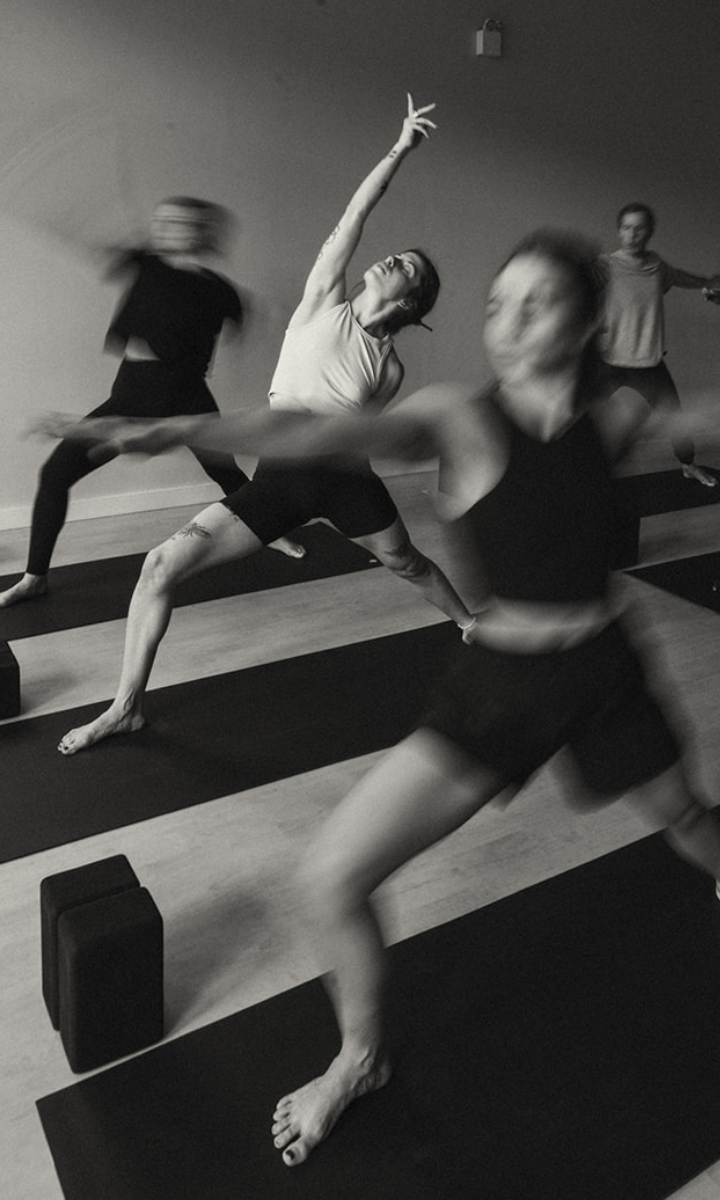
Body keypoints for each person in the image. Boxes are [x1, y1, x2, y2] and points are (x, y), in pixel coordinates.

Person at [41, 229, 720, 1165]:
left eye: (538, 304)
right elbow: (317, 434)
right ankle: (361, 1059)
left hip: (607, 671)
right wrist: (178, 429)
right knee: (332, 878)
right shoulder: (462, 416)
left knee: (690, 816)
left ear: (588, 320)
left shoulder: (618, 416)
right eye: (497, 306)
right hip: (504, 687)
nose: (510, 325)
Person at [52, 94, 477, 755]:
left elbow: (358, 436)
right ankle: (125, 707)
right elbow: (356, 215)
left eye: (409, 268)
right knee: (159, 565)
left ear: (410, 299)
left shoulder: (388, 370)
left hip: (340, 475)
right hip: (280, 474)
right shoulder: (322, 300)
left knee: (407, 562)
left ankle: (469, 623)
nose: (395, 260)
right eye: (399, 254)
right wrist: (399, 149)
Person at [0, 196, 304, 611]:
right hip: (130, 397)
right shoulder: (146, 264)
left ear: (200, 231)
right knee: (56, 473)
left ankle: (271, 530)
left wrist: (274, 313)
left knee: (227, 475)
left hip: (186, 398)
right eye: (161, 221)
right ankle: (35, 578)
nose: (164, 228)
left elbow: (247, 321)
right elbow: (88, 241)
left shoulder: (218, 290)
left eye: (177, 222)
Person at [597, 201, 720, 486]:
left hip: (648, 363)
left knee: (676, 419)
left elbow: (680, 277)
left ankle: (688, 466)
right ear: (619, 231)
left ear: (649, 232)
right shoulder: (606, 267)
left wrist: (710, 284)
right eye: (626, 228)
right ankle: (581, 476)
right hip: (610, 362)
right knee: (587, 422)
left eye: (639, 229)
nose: (632, 235)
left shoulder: (656, 266)